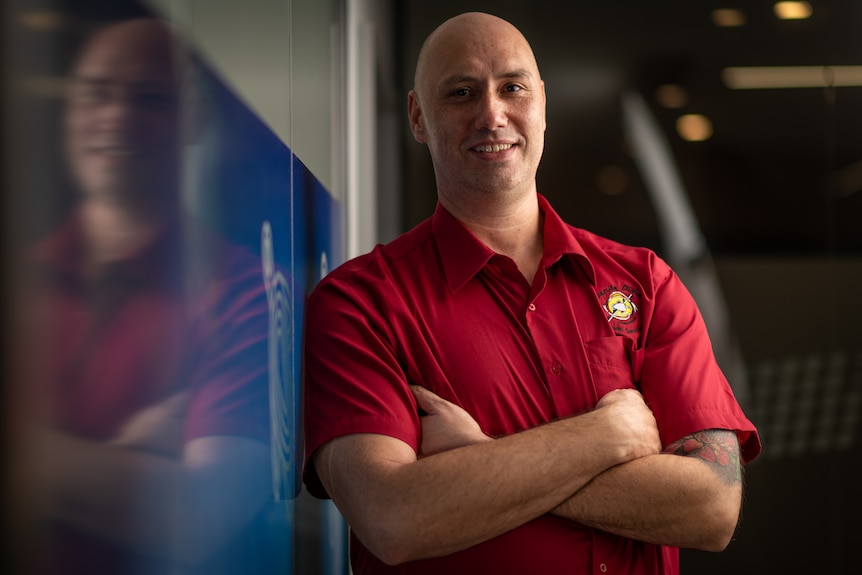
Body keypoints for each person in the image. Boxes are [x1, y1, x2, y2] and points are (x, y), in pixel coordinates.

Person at [302, 11, 761, 575]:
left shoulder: (647, 285)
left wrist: (479, 456)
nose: (491, 115)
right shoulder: (359, 304)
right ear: (419, 117)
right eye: (461, 92)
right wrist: (607, 435)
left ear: (542, 104)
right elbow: (393, 518)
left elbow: (711, 507)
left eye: (512, 87)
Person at [12, 18, 278, 575]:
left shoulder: (248, 294)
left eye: (149, 98)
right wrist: (121, 464)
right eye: (96, 94)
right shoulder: (20, 281)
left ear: (192, 118)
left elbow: (198, 517)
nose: (116, 117)